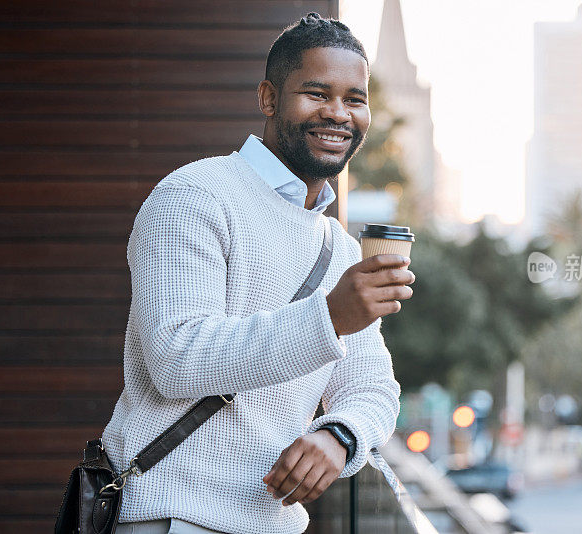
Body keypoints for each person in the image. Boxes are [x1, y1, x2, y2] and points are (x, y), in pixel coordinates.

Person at [103, 12, 415, 534]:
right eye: (317, 94)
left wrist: (339, 435)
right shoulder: (194, 197)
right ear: (269, 99)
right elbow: (175, 358)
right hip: (172, 517)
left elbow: (373, 387)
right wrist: (330, 317)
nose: (338, 113)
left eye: (354, 99)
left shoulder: (336, 246)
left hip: (272, 524)